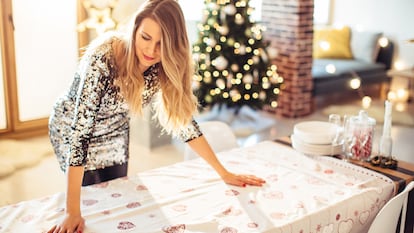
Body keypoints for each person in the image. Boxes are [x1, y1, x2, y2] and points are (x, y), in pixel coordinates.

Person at [47, 0, 266, 232]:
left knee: (117, 198)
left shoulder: (163, 65)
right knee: (89, 203)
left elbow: (184, 124)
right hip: (71, 128)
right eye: (146, 37)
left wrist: (224, 173)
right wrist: (72, 212)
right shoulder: (102, 59)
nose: (152, 51)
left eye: (163, 43)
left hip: (115, 132)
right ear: (134, 31)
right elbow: (80, 134)